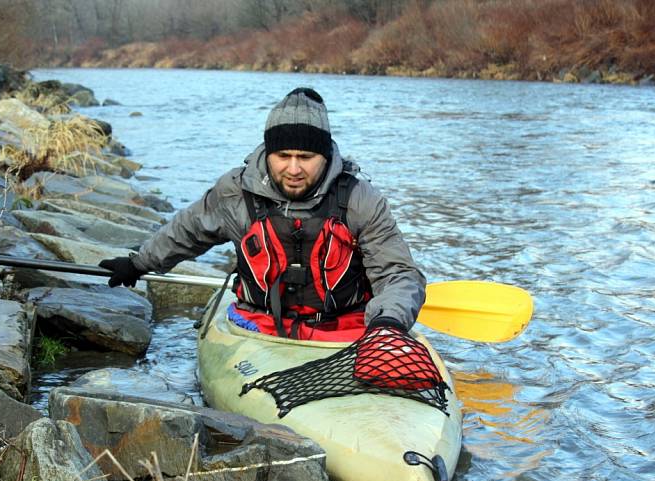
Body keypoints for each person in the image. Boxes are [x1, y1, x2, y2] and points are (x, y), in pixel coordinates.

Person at [99, 87, 426, 342]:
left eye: (306, 156)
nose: (294, 168)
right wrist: (140, 262)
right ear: (268, 153)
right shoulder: (235, 192)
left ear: (325, 156)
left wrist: (388, 322)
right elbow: (187, 231)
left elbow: (399, 274)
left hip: (344, 332)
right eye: (283, 155)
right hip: (257, 328)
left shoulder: (359, 198)